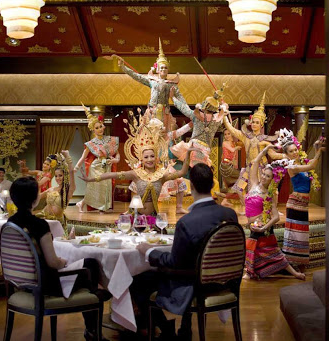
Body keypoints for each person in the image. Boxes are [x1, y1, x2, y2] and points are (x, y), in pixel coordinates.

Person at [133, 163, 238, 340]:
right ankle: (183, 329)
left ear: (192, 186)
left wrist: (149, 252)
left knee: (137, 280)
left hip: (193, 285)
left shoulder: (187, 222)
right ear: (212, 185)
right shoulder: (230, 215)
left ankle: (166, 331)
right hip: (224, 282)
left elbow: (175, 263)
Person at [8, 177, 108, 341]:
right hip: (47, 286)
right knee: (90, 266)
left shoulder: (10, 223)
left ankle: (97, 299)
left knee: (88, 268)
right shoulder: (40, 225)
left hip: (22, 284)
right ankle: (95, 316)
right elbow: (53, 263)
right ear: (35, 199)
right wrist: (64, 262)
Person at [80, 115, 193, 216]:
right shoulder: (136, 174)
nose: (149, 159)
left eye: (152, 156)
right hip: (137, 218)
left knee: (180, 182)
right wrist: (92, 179)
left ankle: (178, 207)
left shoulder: (161, 175)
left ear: (156, 157)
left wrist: (187, 154)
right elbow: (111, 175)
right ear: (142, 159)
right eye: (146, 157)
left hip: (154, 217)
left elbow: (182, 172)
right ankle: (130, 210)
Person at [243, 145, 305, 280]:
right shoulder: (253, 183)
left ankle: (295, 274)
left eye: (268, 176)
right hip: (253, 226)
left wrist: (264, 227)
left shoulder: (269, 195)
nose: (264, 177)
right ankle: (251, 271)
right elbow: (255, 164)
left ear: (272, 179)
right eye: (264, 174)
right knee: (256, 249)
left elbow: (276, 217)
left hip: (262, 227)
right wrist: (266, 150)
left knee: (274, 253)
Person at [222, 93, 282, 209]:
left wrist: (286, 156)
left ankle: (272, 209)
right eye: (253, 122)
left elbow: (273, 155)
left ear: (261, 124)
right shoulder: (246, 136)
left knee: (272, 190)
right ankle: (247, 208)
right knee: (239, 189)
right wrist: (224, 115)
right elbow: (231, 129)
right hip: (249, 168)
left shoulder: (264, 140)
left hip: (262, 168)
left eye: (256, 122)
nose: (254, 124)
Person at [114, 38, 186, 132]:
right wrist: (123, 67)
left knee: (164, 135)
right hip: (151, 111)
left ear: (168, 70)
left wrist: (189, 111)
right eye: (162, 68)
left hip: (164, 112)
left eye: (165, 68)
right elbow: (136, 76)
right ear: (158, 69)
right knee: (149, 135)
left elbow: (180, 97)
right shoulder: (152, 81)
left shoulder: (171, 84)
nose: (163, 69)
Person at [278, 129, 325, 272]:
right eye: (291, 151)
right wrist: (319, 152)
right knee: (296, 234)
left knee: (303, 234)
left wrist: (317, 147)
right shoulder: (292, 167)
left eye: (295, 150)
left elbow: (310, 163)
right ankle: (292, 264)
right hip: (295, 203)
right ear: (286, 154)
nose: (295, 153)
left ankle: (301, 263)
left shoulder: (301, 164)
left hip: (303, 204)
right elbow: (312, 166)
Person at [74, 105, 120, 212]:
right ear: (93, 130)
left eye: (100, 126)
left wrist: (116, 160)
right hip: (96, 167)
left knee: (106, 187)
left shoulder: (110, 140)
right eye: (97, 128)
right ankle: (94, 206)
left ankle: (87, 204)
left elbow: (117, 154)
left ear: (103, 126)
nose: (99, 129)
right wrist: (76, 167)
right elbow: (83, 157)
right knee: (94, 188)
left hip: (107, 165)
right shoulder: (91, 144)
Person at [171, 85, 230, 167]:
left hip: (193, 148)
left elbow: (183, 107)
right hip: (205, 151)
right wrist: (224, 105)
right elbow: (223, 112)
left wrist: (173, 97)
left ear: (205, 105)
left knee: (170, 153)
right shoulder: (217, 120)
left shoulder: (196, 116)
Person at [37, 151, 76, 228]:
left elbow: (71, 172)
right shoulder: (51, 189)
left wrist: (68, 157)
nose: (58, 178)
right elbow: (37, 197)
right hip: (45, 220)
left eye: (60, 175)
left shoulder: (68, 191)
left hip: (57, 223)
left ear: (65, 175)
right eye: (56, 176)